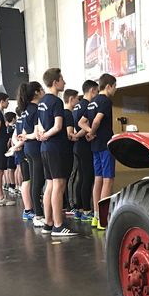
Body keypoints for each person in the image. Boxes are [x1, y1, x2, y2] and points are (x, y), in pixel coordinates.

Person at [37, 68, 78, 236]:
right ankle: (59, 225)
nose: (64, 82)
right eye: (62, 79)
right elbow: (58, 126)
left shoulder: (41, 102)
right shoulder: (56, 102)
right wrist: (46, 135)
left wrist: (42, 135)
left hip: (45, 148)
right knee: (59, 185)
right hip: (56, 148)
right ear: (55, 82)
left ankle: (48, 223)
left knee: (50, 185)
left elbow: (40, 124)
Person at [79, 73, 117, 230]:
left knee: (98, 180)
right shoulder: (105, 101)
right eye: (115, 87)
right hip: (105, 145)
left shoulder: (91, 102)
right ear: (108, 86)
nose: (115, 90)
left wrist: (88, 132)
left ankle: (96, 216)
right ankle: (103, 220)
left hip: (94, 147)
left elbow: (81, 122)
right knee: (108, 180)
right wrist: (93, 131)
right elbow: (96, 120)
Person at [18, 81, 46, 227]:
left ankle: (36, 212)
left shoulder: (26, 110)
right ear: (36, 92)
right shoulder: (35, 109)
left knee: (35, 181)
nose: (43, 91)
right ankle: (38, 214)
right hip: (35, 148)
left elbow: (23, 133)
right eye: (42, 89)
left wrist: (25, 137)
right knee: (38, 181)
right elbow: (35, 133)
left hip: (28, 149)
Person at [72, 80, 98, 221]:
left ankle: (79, 208)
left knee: (81, 177)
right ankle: (86, 211)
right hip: (84, 145)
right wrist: (87, 133)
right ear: (92, 90)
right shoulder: (88, 105)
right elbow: (84, 125)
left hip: (77, 146)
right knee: (87, 177)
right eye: (97, 91)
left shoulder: (77, 106)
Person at [9, 107, 34, 220]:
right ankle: (28, 209)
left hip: (22, 150)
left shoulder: (19, 119)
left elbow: (14, 136)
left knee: (26, 179)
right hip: (25, 151)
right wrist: (17, 146)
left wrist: (15, 145)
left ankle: (29, 208)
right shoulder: (26, 118)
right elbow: (24, 136)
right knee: (28, 180)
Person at [62, 88, 79, 216]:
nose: (78, 101)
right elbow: (69, 134)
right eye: (77, 98)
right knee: (71, 177)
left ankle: (67, 203)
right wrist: (84, 133)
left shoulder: (63, 113)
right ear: (71, 99)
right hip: (69, 149)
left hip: (65, 150)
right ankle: (70, 205)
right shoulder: (68, 114)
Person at [4, 111, 18, 196]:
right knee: (12, 169)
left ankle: (8, 184)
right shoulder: (12, 128)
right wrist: (10, 149)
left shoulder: (6, 128)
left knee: (8, 169)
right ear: (13, 119)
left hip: (7, 151)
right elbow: (10, 141)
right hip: (10, 151)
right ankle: (13, 185)